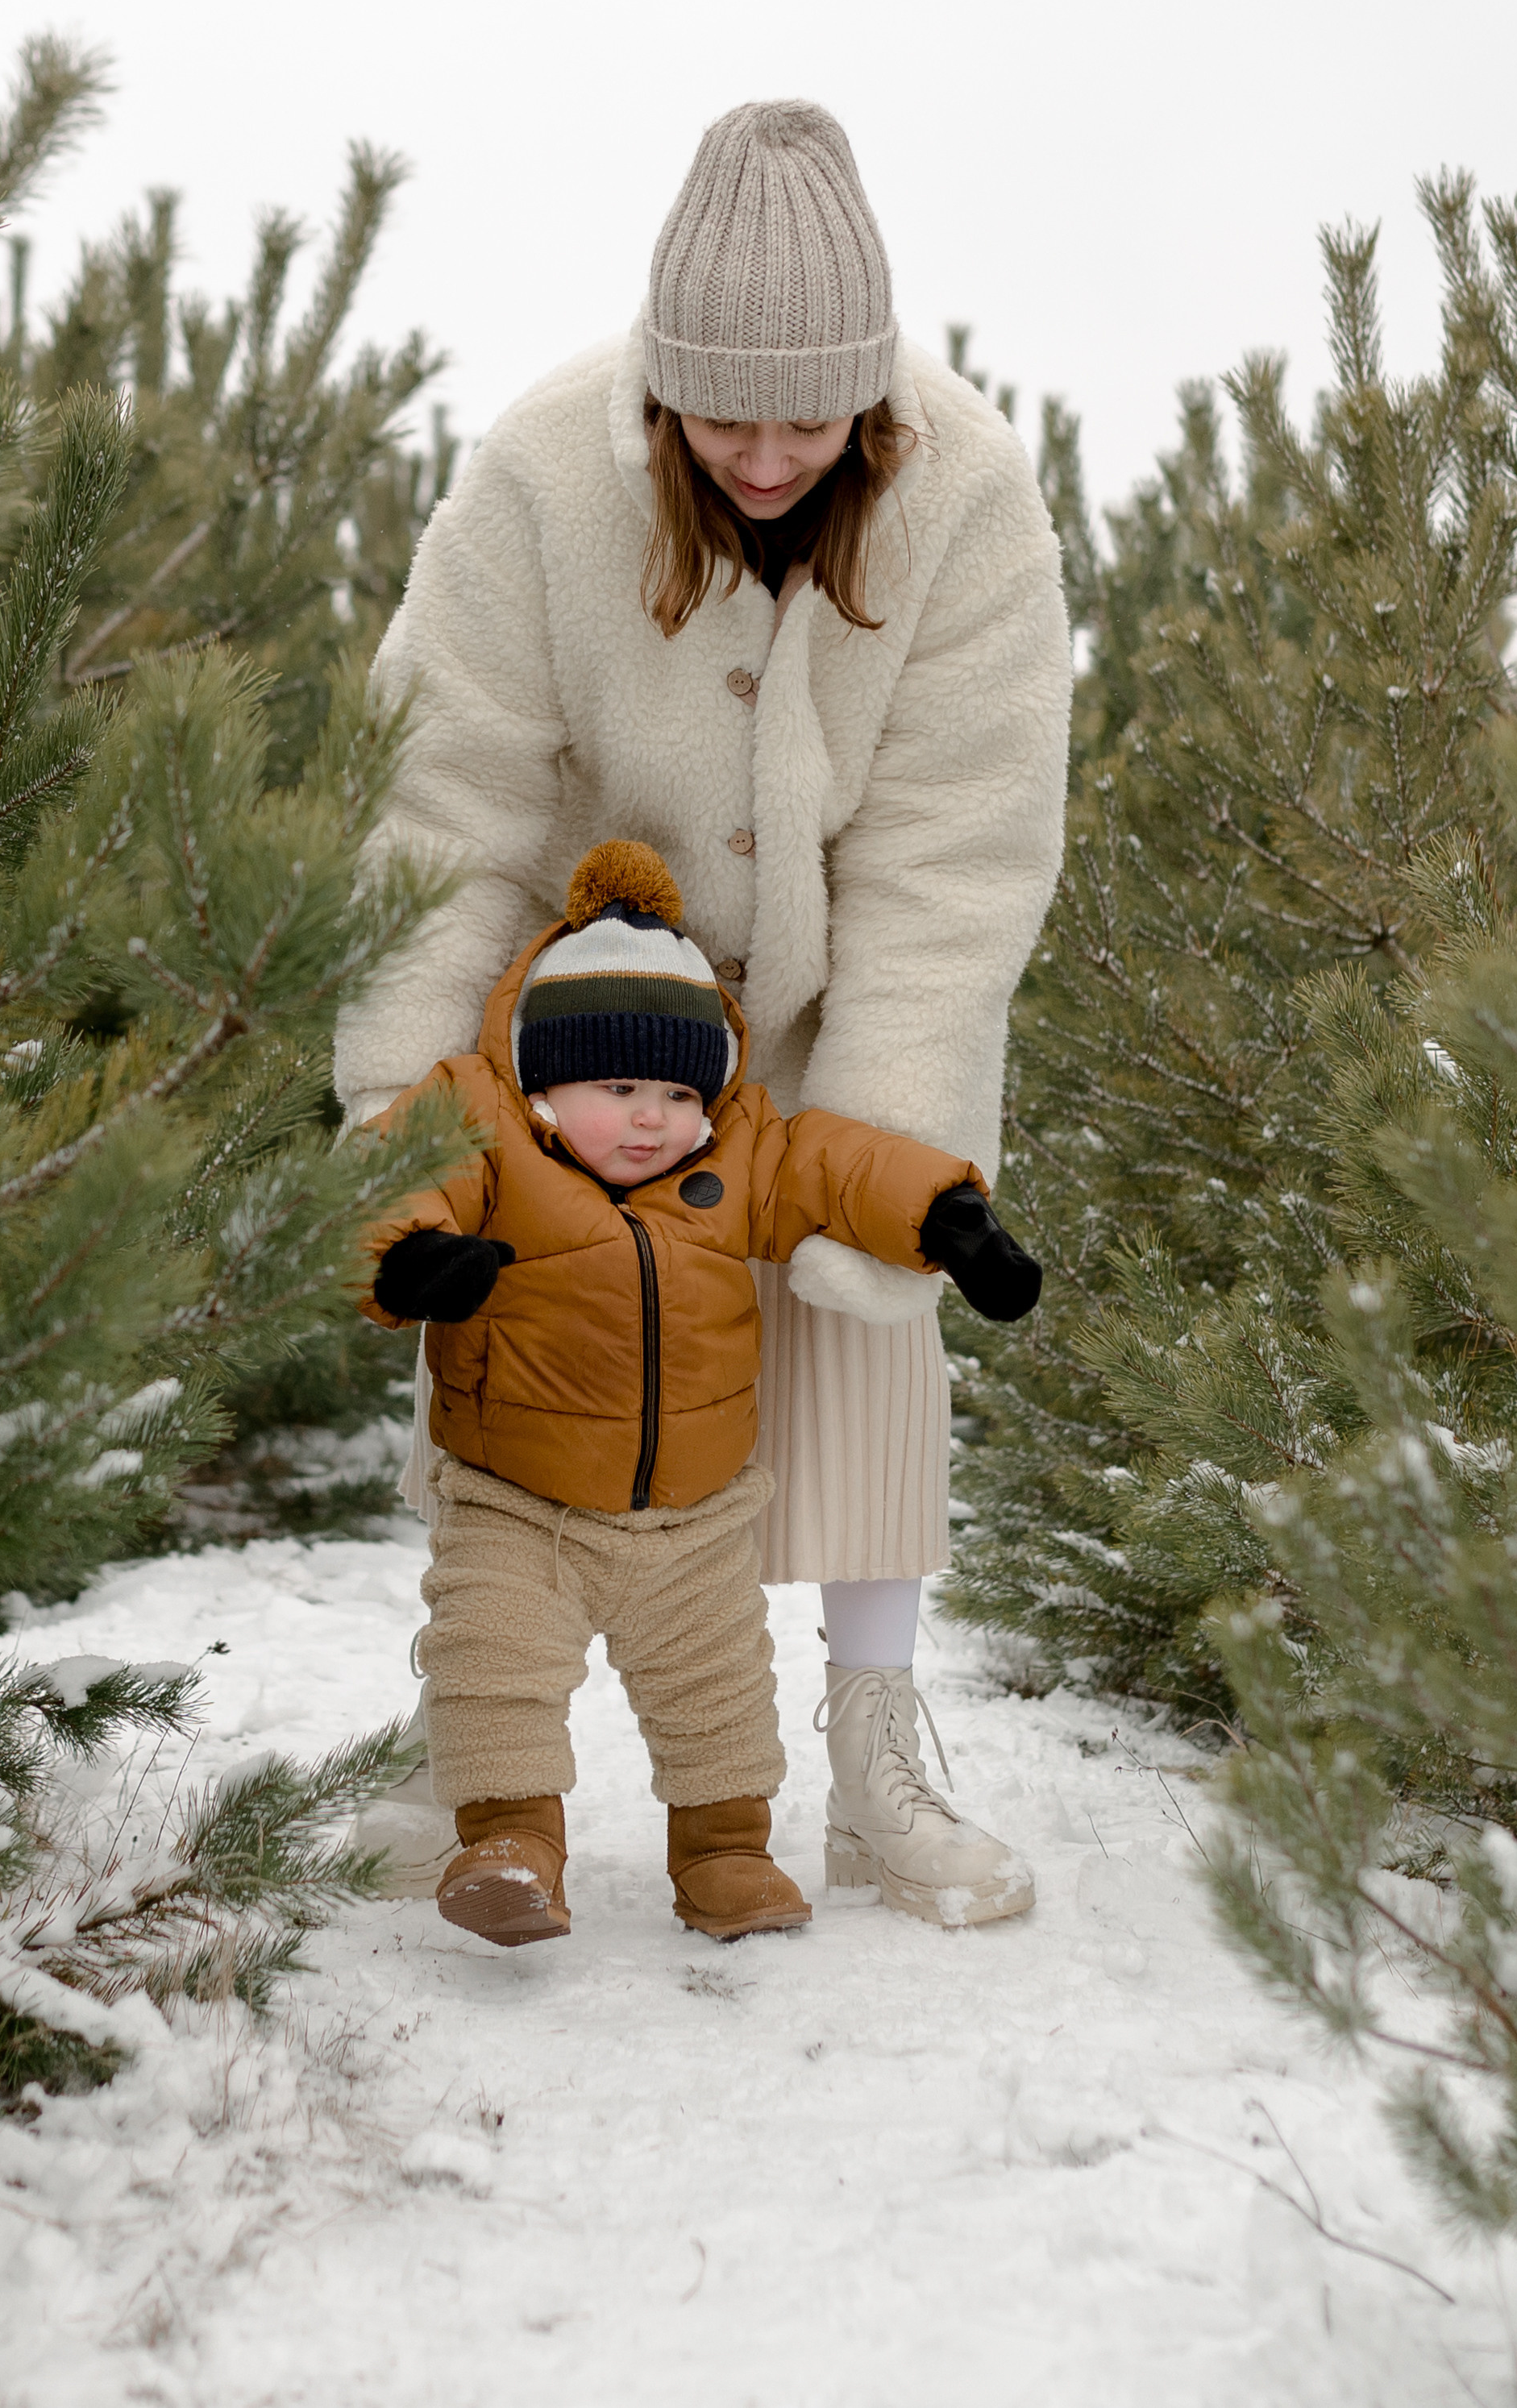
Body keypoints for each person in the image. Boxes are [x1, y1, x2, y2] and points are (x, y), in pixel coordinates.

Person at [335, 98, 1072, 1922]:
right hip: (583, 1021)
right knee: (511, 1348)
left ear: (873, 397)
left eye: (805, 418)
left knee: (867, 1329)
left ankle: (876, 1755)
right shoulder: (536, 479)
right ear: (659, 387)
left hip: (835, 1004)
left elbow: (953, 852)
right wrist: (399, 1119)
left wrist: (893, 1130)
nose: (760, 453)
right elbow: (452, 807)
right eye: (719, 414)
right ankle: (472, 1759)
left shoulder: (967, 494)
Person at [358, 841, 1042, 1946]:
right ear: (540, 1081)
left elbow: (837, 1164)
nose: (650, 1118)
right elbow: (392, 1180)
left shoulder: (732, 1152)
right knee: (494, 1673)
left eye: (676, 1091)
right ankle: (508, 1843)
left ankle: (724, 1852)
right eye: (617, 1088)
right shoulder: (481, 1125)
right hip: (515, 1503)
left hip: (693, 1518)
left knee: (719, 1698)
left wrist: (947, 1218)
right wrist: (407, 1260)